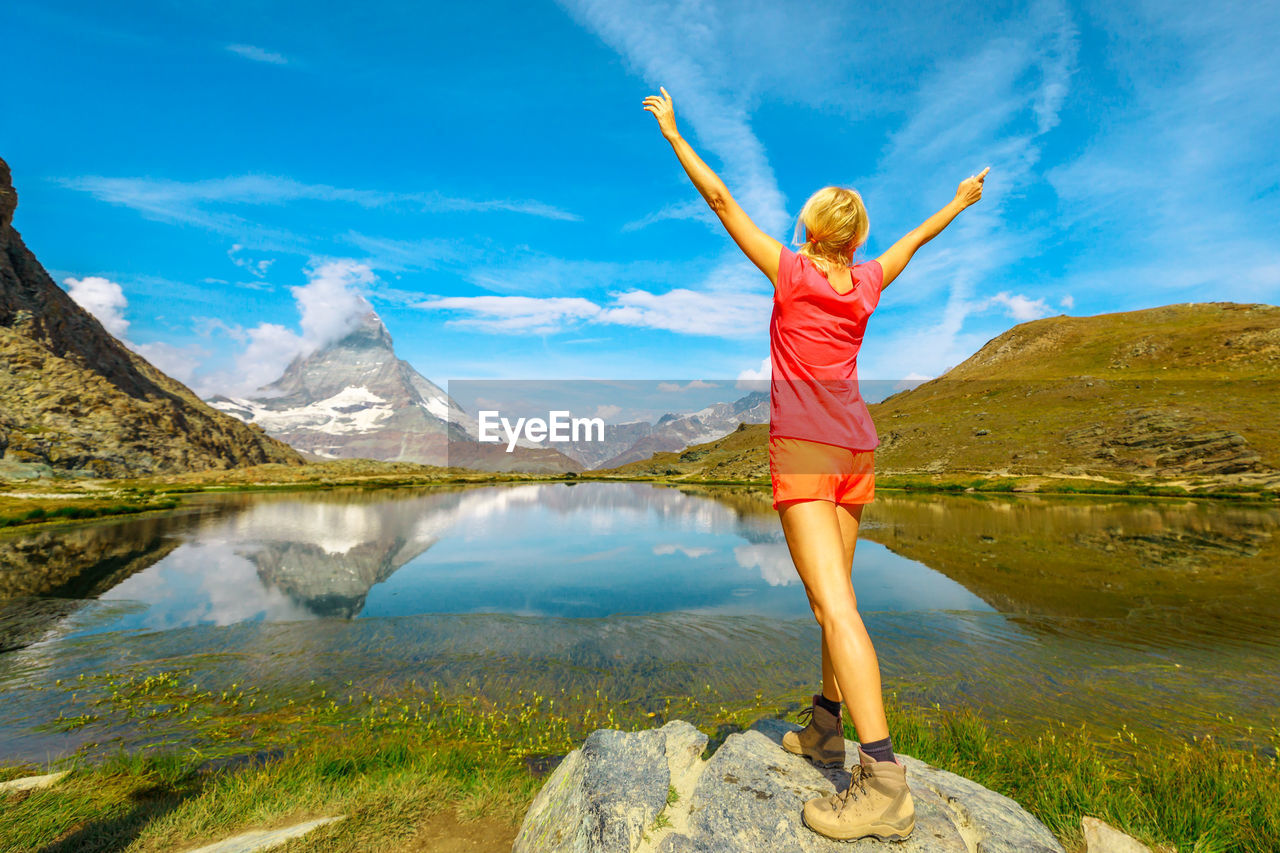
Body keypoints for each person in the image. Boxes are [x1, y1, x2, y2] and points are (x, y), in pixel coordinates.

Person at [644, 86, 988, 843]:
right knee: (833, 602)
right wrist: (958, 202)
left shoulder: (790, 273)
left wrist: (674, 133)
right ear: (854, 236)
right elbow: (914, 244)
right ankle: (825, 728)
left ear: (810, 225)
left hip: (803, 452)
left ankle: (884, 783)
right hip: (856, 449)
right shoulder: (866, 284)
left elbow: (719, 196)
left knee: (837, 608)